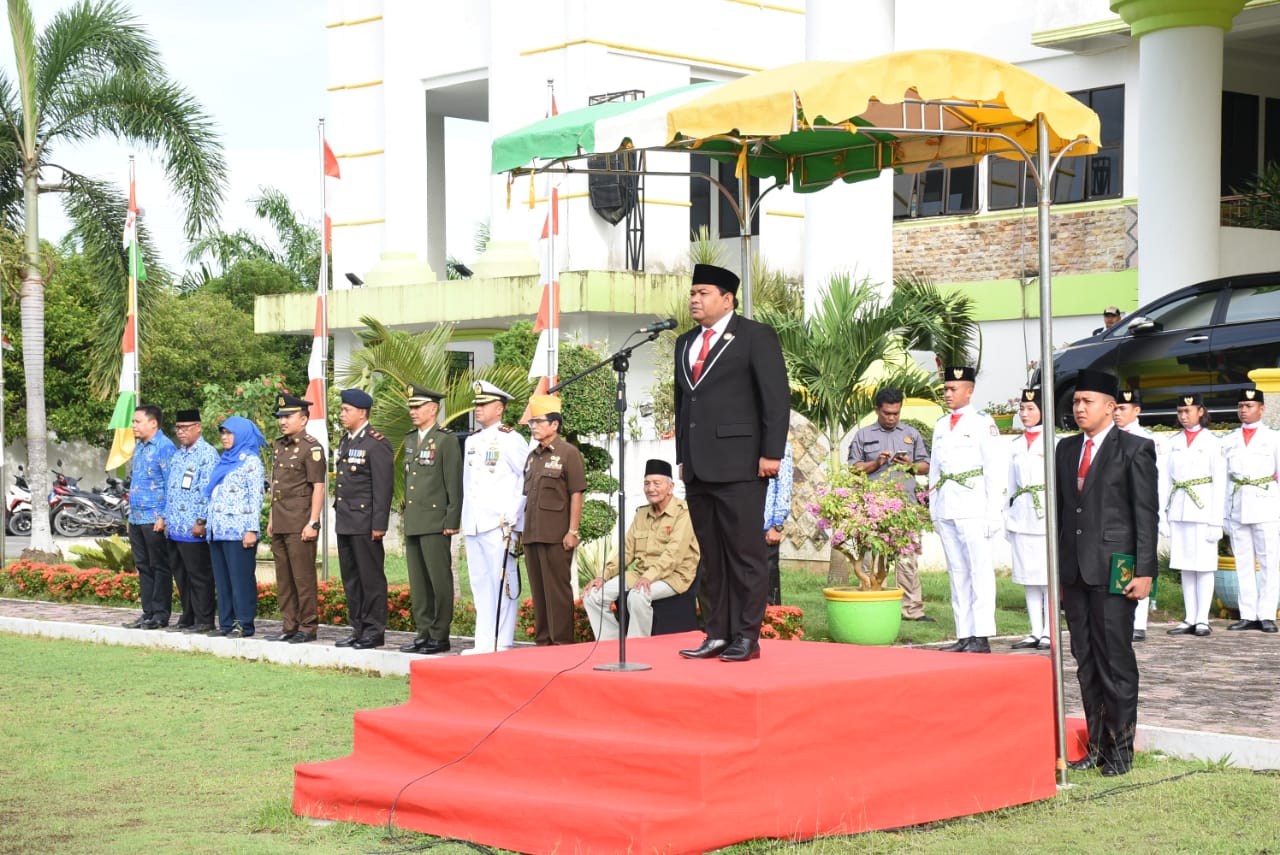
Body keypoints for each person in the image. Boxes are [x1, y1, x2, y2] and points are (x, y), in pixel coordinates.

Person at [673, 263, 790, 663]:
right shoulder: (684, 342)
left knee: (745, 555)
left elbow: (775, 398)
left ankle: (746, 636)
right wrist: (682, 457)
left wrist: (771, 453)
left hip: (742, 464)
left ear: (727, 299)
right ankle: (717, 632)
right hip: (699, 467)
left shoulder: (754, 336)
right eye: (693, 292)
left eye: (703, 292)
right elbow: (682, 403)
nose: (694, 299)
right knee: (712, 556)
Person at [1056, 369, 1157, 777]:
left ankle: (1121, 751)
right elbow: (1066, 514)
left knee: (1115, 660)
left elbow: (1145, 515)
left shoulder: (1135, 449)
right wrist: (1059, 573)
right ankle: (1097, 746)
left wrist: (1145, 570)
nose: (1079, 408)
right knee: (1086, 660)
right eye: (1076, 401)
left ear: (1111, 407)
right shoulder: (1065, 450)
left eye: (1088, 401)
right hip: (1075, 571)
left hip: (1117, 569)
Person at [928, 366, 1007, 653]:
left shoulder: (982, 423)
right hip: (947, 504)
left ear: (969, 390)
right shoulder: (940, 424)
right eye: (946, 389)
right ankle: (964, 633)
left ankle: (981, 634)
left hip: (974, 506)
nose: (947, 394)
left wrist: (993, 513)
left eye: (953, 389)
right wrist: (933, 508)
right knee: (957, 571)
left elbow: (994, 471)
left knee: (979, 571)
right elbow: (935, 469)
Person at [584, 459, 700, 639]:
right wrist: (603, 576)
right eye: (647, 483)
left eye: (656, 483)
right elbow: (626, 551)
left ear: (670, 487)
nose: (650, 488)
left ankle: (637, 646)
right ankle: (612, 644)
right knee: (593, 595)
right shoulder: (642, 513)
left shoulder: (684, 512)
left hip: (674, 576)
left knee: (637, 596)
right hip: (641, 574)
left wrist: (649, 577)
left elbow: (673, 555)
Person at [848, 388, 932, 621]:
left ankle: (911, 610)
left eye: (896, 413)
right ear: (877, 410)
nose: (892, 418)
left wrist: (910, 465)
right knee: (872, 558)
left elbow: (926, 466)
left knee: (907, 558)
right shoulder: (863, 436)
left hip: (905, 507)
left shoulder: (911, 434)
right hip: (874, 507)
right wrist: (876, 463)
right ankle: (875, 602)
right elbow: (854, 469)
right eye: (887, 413)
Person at [461, 380, 530, 654]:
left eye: (484, 404)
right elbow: (469, 483)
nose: (477, 409)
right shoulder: (472, 440)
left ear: (499, 408)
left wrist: (514, 516)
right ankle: (484, 641)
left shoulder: (511, 439)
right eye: (476, 404)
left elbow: (525, 479)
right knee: (480, 583)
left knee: (502, 582)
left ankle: (501, 641)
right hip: (476, 522)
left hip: (500, 523)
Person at [398, 384, 464, 655]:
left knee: (438, 580)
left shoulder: (446, 439)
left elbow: (454, 484)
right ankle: (423, 631)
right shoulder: (411, 439)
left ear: (433, 409)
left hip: (437, 521)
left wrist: (452, 519)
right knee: (419, 581)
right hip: (415, 520)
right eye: (411, 407)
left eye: (417, 407)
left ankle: (440, 634)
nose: (412, 412)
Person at [521, 394, 587, 645]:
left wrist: (573, 530)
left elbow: (576, 493)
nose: (534, 426)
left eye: (538, 421)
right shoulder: (532, 456)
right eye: (532, 423)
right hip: (533, 533)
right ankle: (543, 641)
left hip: (556, 535)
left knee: (558, 590)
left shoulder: (568, 453)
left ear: (555, 424)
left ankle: (561, 643)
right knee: (538, 590)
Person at [1159, 392, 1226, 638]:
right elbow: (1164, 481)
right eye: (1180, 412)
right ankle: (1189, 617)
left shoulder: (1213, 442)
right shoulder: (1173, 442)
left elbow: (1220, 484)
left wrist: (1216, 521)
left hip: (1203, 510)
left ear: (1200, 411)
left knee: (1204, 566)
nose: (1184, 416)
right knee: (1185, 565)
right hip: (1179, 507)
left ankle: (1202, 619)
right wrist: (1162, 515)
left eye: (1188, 411)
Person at [333, 389, 395, 649]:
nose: (342, 414)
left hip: (365, 522)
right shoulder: (346, 441)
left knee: (371, 579)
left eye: (347, 410)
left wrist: (379, 524)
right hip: (346, 520)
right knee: (351, 578)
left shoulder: (375, 442)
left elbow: (383, 487)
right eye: (342, 410)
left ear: (362, 412)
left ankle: (373, 630)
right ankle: (357, 627)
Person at [264, 393, 327, 644]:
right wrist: (271, 518)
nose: (282, 421)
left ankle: (307, 626)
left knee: (303, 578)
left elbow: (318, 487)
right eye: (280, 417)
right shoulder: (279, 445)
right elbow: (276, 486)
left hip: (300, 522)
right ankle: (289, 625)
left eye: (288, 416)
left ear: (303, 419)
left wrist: (313, 522)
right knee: (284, 578)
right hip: (280, 520)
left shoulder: (311, 448)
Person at [1221, 387, 1280, 634]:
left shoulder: (1274, 438)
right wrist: (1223, 512)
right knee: (1243, 562)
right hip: (1238, 506)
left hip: (1266, 504)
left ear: (1261, 409)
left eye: (1249, 406)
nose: (1244, 410)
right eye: (1241, 406)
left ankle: (1267, 614)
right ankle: (1247, 614)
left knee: (1269, 562)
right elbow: (1224, 480)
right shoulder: (1229, 439)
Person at [156, 407, 218, 634]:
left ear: (198, 428)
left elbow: (208, 491)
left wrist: (201, 521)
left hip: (193, 528)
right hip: (175, 526)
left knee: (199, 576)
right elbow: (170, 489)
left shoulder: (207, 454)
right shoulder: (179, 454)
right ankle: (188, 616)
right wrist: (163, 517)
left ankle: (205, 619)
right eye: (178, 428)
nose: (181, 432)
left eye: (186, 428)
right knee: (181, 575)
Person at [205, 416, 266, 638]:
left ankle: (244, 624)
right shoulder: (224, 460)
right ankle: (227, 623)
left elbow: (255, 497)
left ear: (241, 435)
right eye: (223, 433)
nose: (225, 437)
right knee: (222, 581)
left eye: (230, 433)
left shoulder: (250, 462)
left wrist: (251, 529)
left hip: (239, 531)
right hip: (218, 530)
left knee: (240, 580)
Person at [122, 404, 176, 630]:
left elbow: (171, 484)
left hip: (154, 518)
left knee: (159, 566)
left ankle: (161, 614)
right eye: (133, 422)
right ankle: (148, 612)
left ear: (153, 423)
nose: (133, 426)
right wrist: (130, 516)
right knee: (143, 566)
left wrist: (164, 516)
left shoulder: (165, 447)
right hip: (137, 518)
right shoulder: (141, 447)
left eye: (137, 422)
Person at [1006, 389, 1051, 650]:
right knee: (1027, 576)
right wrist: (1006, 516)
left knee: (1046, 577)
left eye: (1031, 409)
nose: (1025, 414)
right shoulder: (1016, 445)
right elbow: (1011, 486)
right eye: (1022, 409)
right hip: (1022, 514)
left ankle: (1049, 630)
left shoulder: (1052, 442)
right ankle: (1034, 630)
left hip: (1044, 514)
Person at [1113, 388, 1159, 641]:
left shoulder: (1147, 441)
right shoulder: (1109, 439)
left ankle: (1139, 622)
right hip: (1117, 514)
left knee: (1141, 565)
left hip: (1139, 512)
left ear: (1137, 411)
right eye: (1116, 408)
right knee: (1119, 571)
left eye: (1123, 408)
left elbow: (1154, 486)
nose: (1118, 413)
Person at [762, 441, 793, 606]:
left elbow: (784, 486)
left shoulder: (780, 445)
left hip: (766, 527)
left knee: (768, 581)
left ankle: (773, 626)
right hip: (739, 525)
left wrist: (777, 524)